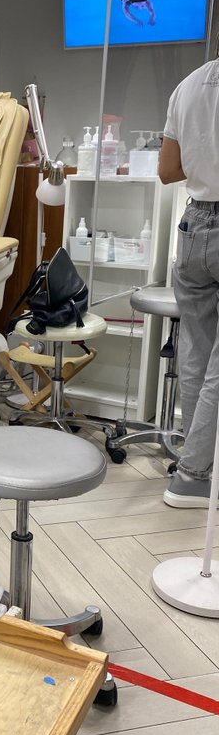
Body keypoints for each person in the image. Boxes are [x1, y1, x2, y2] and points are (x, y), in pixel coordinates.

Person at [158, 57, 219, 509]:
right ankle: (195, 473)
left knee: (197, 352)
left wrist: (205, 158)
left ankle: (195, 466)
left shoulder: (189, 84)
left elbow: (167, 170)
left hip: (195, 223)